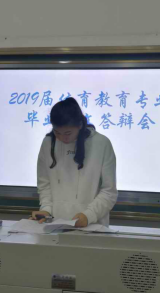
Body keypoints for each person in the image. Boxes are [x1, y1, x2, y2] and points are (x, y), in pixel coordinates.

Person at [31, 97, 118, 227]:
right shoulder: (48, 143)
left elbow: (109, 191)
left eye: (67, 133)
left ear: (80, 125)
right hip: (54, 225)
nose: (62, 138)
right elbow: (44, 184)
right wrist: (46, 209)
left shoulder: (101, 144)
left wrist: (88, 215)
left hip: (92, 226)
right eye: (57, 132)